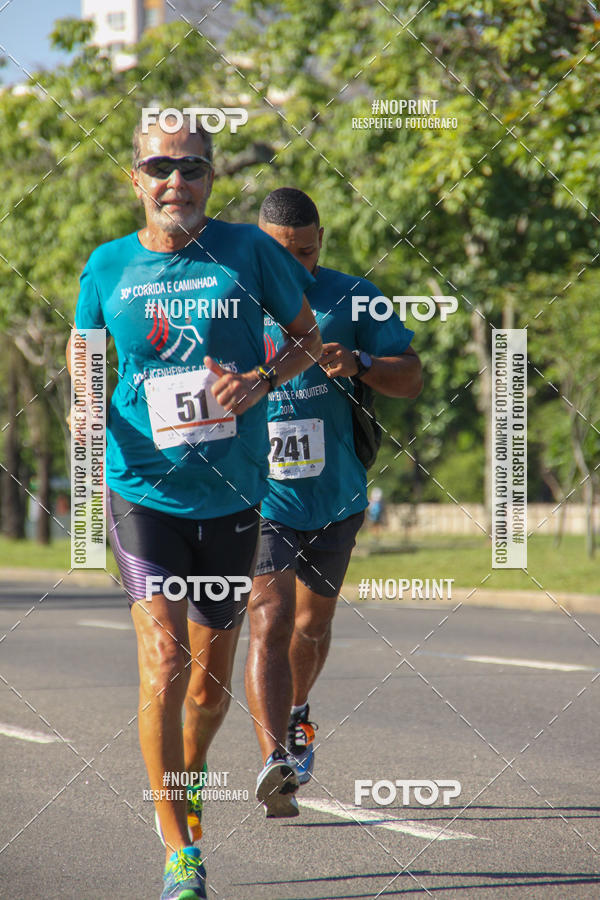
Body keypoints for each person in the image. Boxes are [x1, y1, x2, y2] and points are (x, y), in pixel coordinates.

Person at [68, 119, 321, 899]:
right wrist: (83, 408)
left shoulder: (250, 252)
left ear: (211, 177)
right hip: (142, 489)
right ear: (135, 177)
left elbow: (308, 339)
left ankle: (191, 771)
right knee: (164, 661)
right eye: (159, 165)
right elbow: (84, 357)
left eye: (192, 167)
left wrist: (263, 381)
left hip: (235, 493)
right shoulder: (107, 265)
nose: (175, 180)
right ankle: (179, 846)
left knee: (208, 689)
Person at [245, 187, 422, 816]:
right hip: (258, 494)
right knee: (267, 615)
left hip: (336, 494)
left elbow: (412, 375)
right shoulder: (229, 294)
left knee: (311, 625)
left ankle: (296, 715)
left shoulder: (355, 296)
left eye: (308, 252)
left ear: (322, 240)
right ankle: (276, 762)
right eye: (284, 255)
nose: (298, 266)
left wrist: (363, 361)